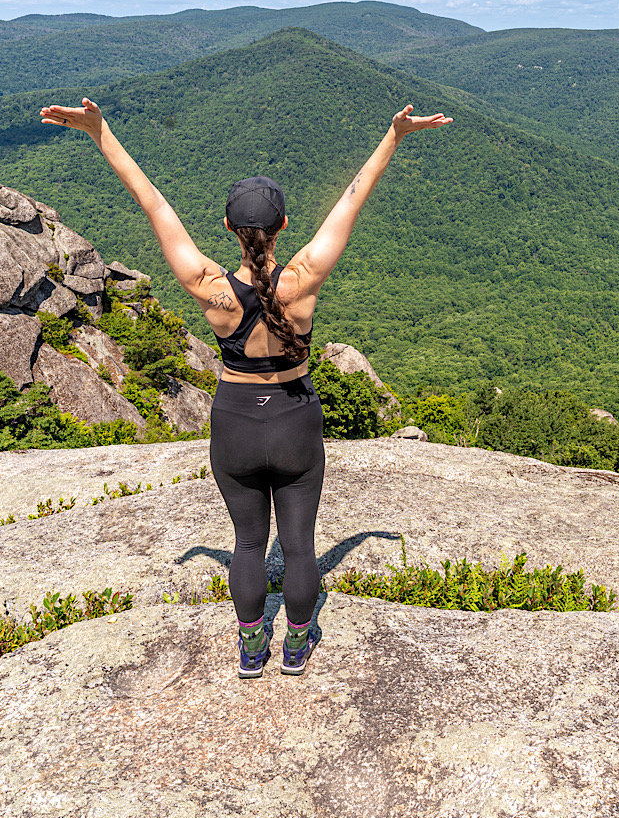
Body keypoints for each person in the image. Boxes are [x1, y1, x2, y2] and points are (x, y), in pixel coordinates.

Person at [39, 96, 453, 677]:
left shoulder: (207, 285)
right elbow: (351, 202)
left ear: (229, 228)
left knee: (247, 544)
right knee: (303, 545)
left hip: (234, 420)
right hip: (295, 418)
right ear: (284, 226)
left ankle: (252, 647)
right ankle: (296, 645)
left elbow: (152, 202)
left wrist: (101, 133)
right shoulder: (303, 279)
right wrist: (393, 137)